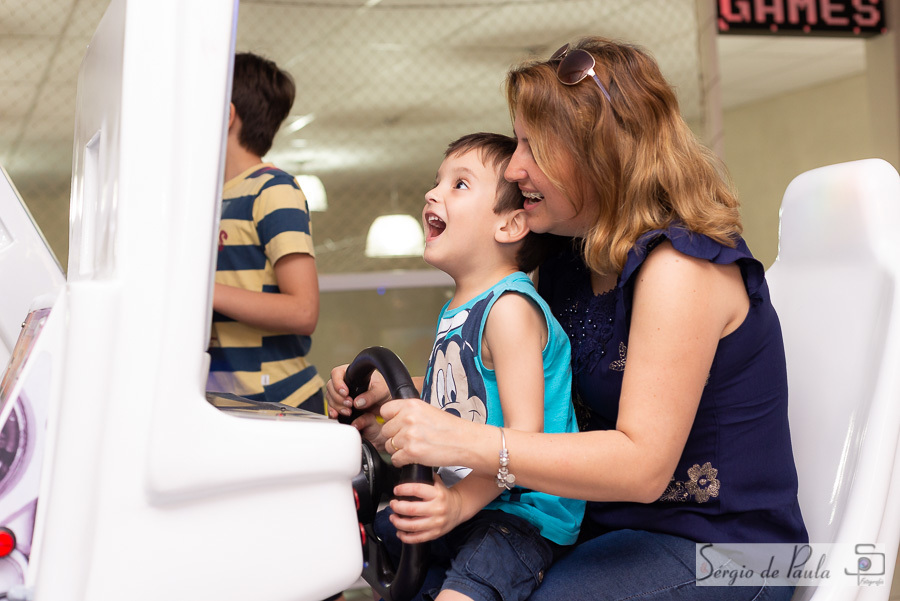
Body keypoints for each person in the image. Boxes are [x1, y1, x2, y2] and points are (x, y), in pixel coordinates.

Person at [328, 37, 807, 601]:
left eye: (532, 145)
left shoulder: (682, 265)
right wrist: (412, 408)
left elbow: (641, 466)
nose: (514, 165)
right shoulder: (569, 263)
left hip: (729, 550)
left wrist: (460, 441)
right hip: (607, 527)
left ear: (595, 153)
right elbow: (529, 394)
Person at [371, 132, 582, 601]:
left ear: (508, 226)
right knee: (375, 532)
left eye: (459, 185)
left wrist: (458, 504)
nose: (433, 193)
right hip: (469, 502)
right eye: (437, 181)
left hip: (518, 515)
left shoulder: (508, 309)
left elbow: (524, 441)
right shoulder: (460, 309)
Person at [207, 52, 326, 412]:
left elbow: (303, 311)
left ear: (227, 115)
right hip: (227, 402)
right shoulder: (209, 199)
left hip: (281, 403)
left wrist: (200, 291)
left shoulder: (273, 189)